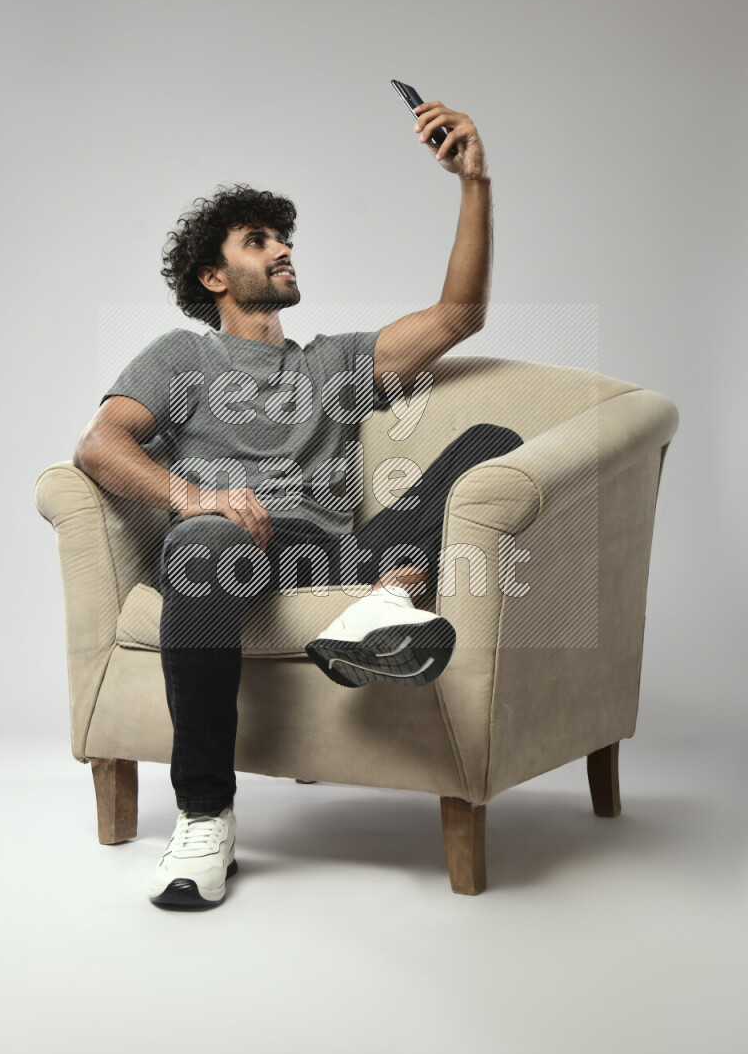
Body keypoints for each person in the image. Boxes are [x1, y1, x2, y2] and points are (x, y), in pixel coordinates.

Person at [73, 100, 523, 909]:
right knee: (202, 547)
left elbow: (461, 315)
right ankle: (206, 818)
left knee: (490, 439)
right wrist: (197, 497)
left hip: (336, 550)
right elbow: (99, 446)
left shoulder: (338, 362)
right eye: (260, 242)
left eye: (284, 240)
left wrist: (474, 184)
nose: (282, 250)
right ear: (215, 278)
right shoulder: (182, 357)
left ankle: (382, 595)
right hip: (234, 541)